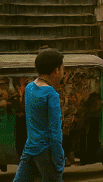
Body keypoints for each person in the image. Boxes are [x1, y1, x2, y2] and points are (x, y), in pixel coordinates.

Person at [14, 49, 66, 182]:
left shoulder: (29, 88)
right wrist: (59, 158)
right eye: (62, 69)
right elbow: (55, 131)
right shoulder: (51, 94)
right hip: (46, 151)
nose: (63, 73)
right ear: (55, 71)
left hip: (30, 147)